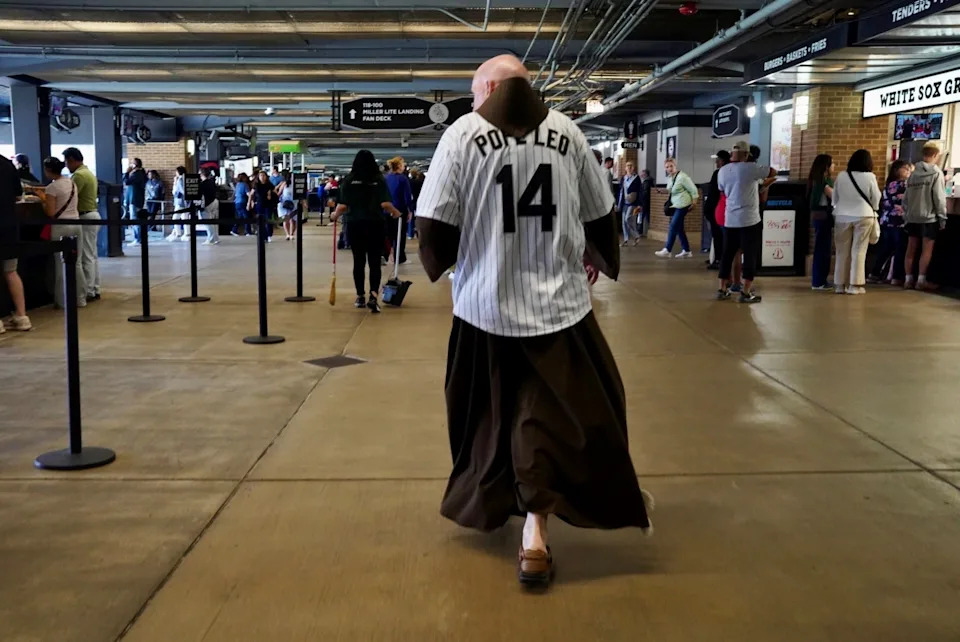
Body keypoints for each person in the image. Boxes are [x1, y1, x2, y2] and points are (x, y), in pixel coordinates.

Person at [414, 54, 651, 588]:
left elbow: (433, 222)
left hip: (484, 307)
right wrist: (596, 255)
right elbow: (599, 210)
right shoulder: (568, 131)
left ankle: (502, 507)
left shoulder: (460, 135)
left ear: (493, 86)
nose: (474, 103)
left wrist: (447, 261)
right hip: (560, 309)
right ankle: (537, 529)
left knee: (488, 418)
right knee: (554, 418)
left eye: (475, 92)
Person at [329, 150, 402, 313]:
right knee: (375, 262)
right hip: (375, 225)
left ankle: (360, 296)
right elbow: (385, 204)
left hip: (355, 225)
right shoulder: (378, 179)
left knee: (358, 261)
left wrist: (334, 215)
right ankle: (373, 296)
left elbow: (342, 206)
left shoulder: (349, 180)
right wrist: (396, 212)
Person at [716, 141, 776, 303]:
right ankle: (746, 291)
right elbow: (773, 171)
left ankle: (722, 288)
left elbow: (722, 190)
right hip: (749, 219)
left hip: (730, 219)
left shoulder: (722, 171)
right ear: (746, 154)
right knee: (749, 255)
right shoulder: (751, 168)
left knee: (727, 254)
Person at [27, 157, 86, 309]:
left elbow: (51, 212)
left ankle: (63, 300)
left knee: (61, 265)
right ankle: (80, 299)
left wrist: (42, 198)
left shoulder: (52, 188)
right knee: (77, 263)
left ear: (48, 170)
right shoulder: (70, 182)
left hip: (61, 226)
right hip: (76, 223)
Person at [831, 149, 880, 295]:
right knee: (859, 251)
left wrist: (840, 206)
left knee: (841, 252)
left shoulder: (841, 175)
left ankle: (839, 285)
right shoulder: (870, 177)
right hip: (864, 215)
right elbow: (876, 197)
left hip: (842, 215)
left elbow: (835, 197)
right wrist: (874, 209)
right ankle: (855, 285)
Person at [903, 143, 947, 290]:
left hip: (912, 216)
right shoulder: (936, 173)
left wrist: (907, 214)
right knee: (926, 250)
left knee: (911, 249)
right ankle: (921, 281)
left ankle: (908, 280)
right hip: (929, 218)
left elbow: (906, 199)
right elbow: (939, 198)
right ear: (935, 155)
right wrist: (942, 217)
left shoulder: (912, 174)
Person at [62, 148, 101, 302]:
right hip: (92, 215)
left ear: (72, 159)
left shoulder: (79, 175)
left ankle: (89, 290)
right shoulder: (89, 173)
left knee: (86, 255)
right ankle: (95, 288)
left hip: (85, 216)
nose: (66, 165)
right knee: (92, 255)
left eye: (66, 161)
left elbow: (70, 196)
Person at [0, 153, 31, 332]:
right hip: (9, 226)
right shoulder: (7, 164)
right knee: (11, 271)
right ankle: (22, 316)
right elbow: (18, 196)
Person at [869, 160, 910, 286]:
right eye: (906, 169)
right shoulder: (902, 185)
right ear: (898, 170)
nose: (909, 172)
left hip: (886, 221)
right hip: (898, 221)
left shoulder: (888, 184)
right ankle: (896, 277)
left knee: (885, 249)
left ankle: (875, 273)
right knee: (899, 249)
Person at [655, 158, 698, 258]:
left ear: (675, 166)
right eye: (667, 167)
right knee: (679, 228)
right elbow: (671, 190)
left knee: (673, 225)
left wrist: (694, 203)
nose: (669, 168)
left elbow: (693, 190)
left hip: (683, 204)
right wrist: (663, 191)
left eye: (671, 166)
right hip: (676, 205)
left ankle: (668, 249)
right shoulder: (671, 178)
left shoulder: (683, 177)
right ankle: (686, 250)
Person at [807, 154, 835, 291]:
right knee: (823, 249)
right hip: (824, 217)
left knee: (821, 248)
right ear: (826, 167)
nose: (834, 166)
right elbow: (834, 196)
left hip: (817, 217)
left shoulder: (814, 180)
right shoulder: (824, 181)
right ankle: (819, 281)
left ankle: (819, 280)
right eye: (832, 164)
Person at [703, 150, 730, 270]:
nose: (716, 162)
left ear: (722, 161)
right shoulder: (728, 173)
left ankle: (719, 259)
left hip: (717, 209)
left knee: (718, 236)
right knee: (719, 236)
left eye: (717, 160)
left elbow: (714, 193)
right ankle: (717, 257)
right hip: (719, 209)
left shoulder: (719, 173)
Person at [384, 157, 413, 263]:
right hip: (400, 209)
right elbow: (407, 195)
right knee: (400, 234)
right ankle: (400, 257)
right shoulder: (403, 178)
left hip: (387, 209)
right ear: (399, 166)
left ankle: (386, 255)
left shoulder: (385, 178)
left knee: (388, 234)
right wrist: (410, 209)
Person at [122, 158, 147, 246]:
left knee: (135, 219)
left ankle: (138, 238)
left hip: (135, 199)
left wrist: (126, 172)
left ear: (135, 165)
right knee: (135, 218)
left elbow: (126, 182)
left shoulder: (137, 174)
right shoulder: (138, 174)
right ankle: (138, 238)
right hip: (134, 199)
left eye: (132, 163)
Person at [617, 162, 641, 246]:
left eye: (631, 166)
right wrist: (618, 202)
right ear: (625, 168)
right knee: (624, 221)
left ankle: (636, 235)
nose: (629, 167)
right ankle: (626, 239)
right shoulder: (623, 178)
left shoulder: (636, 178)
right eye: (627, 166)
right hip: (624, 202)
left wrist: (639, 203)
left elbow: (639, 191)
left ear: (633, 168)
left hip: (633, 202)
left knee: (628, 219)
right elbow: (620, 191)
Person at [250, 170, 276, 242]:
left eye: (264, 175)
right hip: (259, 204)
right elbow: (251, 194)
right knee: (261, 221)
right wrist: (250, 202)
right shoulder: (256, 185)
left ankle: (269, 234)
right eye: (261, 175)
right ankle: (264, 235)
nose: (262, 177)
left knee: (268, 219)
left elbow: (276, 193)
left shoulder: (269, 185)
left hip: (268, 205)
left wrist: (271, 195)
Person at [198, 167, 220, 245]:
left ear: (201, 174)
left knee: (207, 222)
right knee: (214, 222)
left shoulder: (202, 184)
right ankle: (216, 238)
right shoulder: (212, 182)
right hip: (214, 201)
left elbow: (201, 196)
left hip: (207, 204)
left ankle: (211, 239)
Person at [168, 166, 189, 242]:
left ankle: (178, 233)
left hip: (180, 202)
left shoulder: (180, 180)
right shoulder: (185, 179)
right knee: (185, 217)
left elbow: (177, 191)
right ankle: (187, 233)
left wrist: (175, 183)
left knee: (175, 218)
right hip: (185, 202)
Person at [276, 169, 297, 241]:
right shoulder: (284, 184)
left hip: (293, 203)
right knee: (286, 220)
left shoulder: (295, 184)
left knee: (292, 220)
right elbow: (279, 193)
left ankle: (291, 234)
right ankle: (287, 234)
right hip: (284, 203)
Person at [409, 168, 425, 239]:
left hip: (411, 201)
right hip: (419, 201)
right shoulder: (420, 182)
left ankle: (410, 234)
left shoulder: (409, 182)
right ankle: (419, 233)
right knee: (419, 217)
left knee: (410, 217)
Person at [638, 169, 653, 236]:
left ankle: (639, 232)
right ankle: (649, 230)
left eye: (642, 173)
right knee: (647, 217)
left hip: (644, 203)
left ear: (645, 174)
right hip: (648, 202)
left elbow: (644, 193)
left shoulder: (646, 182)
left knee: (641, 217)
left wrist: (640, 202)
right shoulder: (650, 181)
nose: (641, 175)